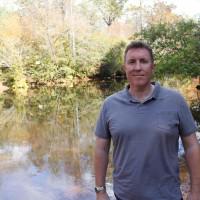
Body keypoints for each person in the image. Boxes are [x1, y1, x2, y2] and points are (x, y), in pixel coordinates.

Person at [94, 41, 200, 200]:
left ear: (152, 67)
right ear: (125, 68)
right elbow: (101, 150)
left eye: (143, 61)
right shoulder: (109, 105)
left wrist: (196, 191)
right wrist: (100, 191)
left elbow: (191, 146)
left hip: (168, 196)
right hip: (124, 196)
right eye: (132, 62)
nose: (137, 67)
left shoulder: (175, 101)